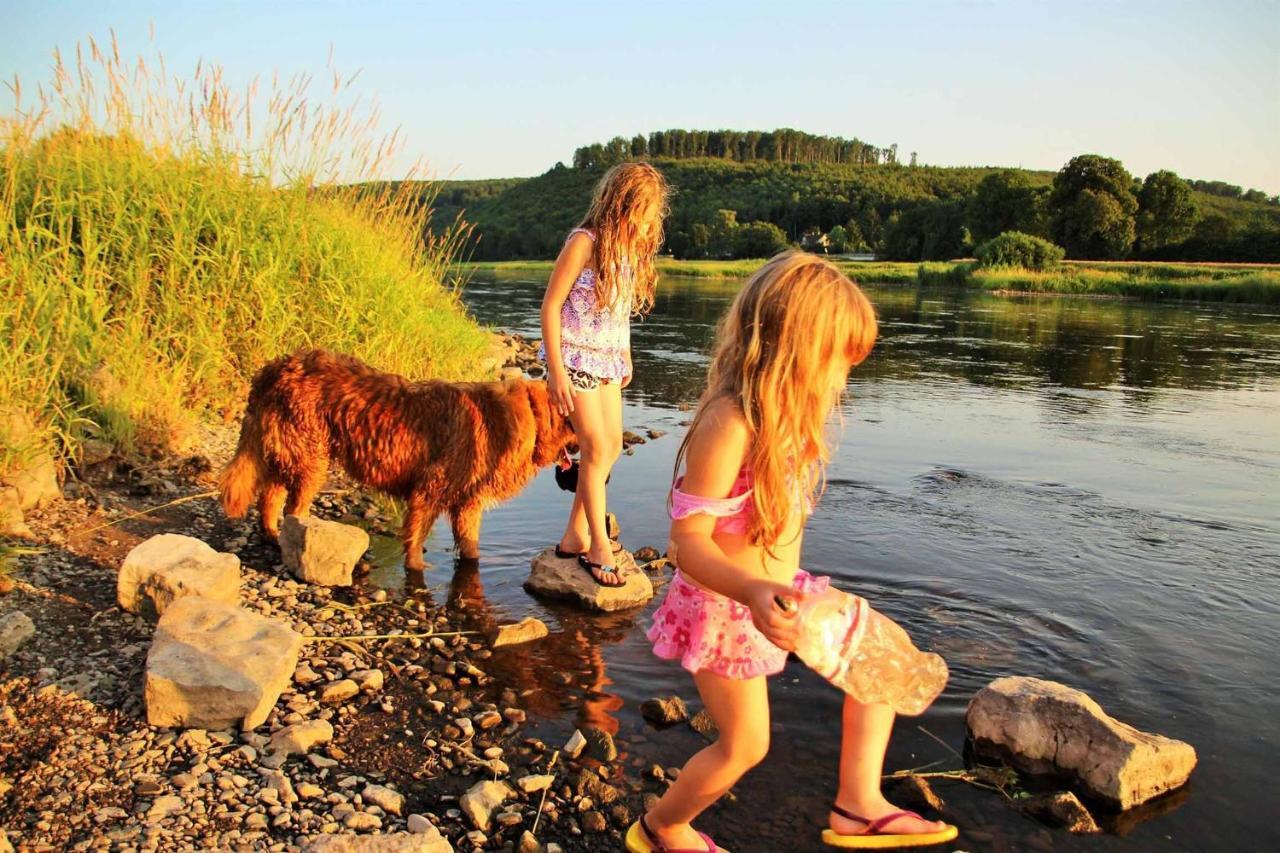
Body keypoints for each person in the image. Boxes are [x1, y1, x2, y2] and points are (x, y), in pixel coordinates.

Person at [629, 252, 958, 851]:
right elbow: (688, 545)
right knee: (745, 746)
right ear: (795, 351)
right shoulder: (731, 423)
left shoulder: (785, 422)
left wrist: (772, 588)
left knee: (878, 663)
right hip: (725, 608)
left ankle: (858, 806)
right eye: (839, 361)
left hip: (780, 596)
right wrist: (753, 590)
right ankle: (663, 828)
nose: (843, 378)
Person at [539, 161, 670, 586]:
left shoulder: (625, 251)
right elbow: (550, 306)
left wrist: (626, 354)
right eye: (648, 212)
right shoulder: (584, 242)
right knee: (595, 448)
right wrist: (556, 372)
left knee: (611, 447)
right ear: (625, 205)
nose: (653, 223)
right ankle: (597, 545)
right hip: (574, 360)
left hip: (608, 361)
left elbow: (618, 313)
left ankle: (574, 536)